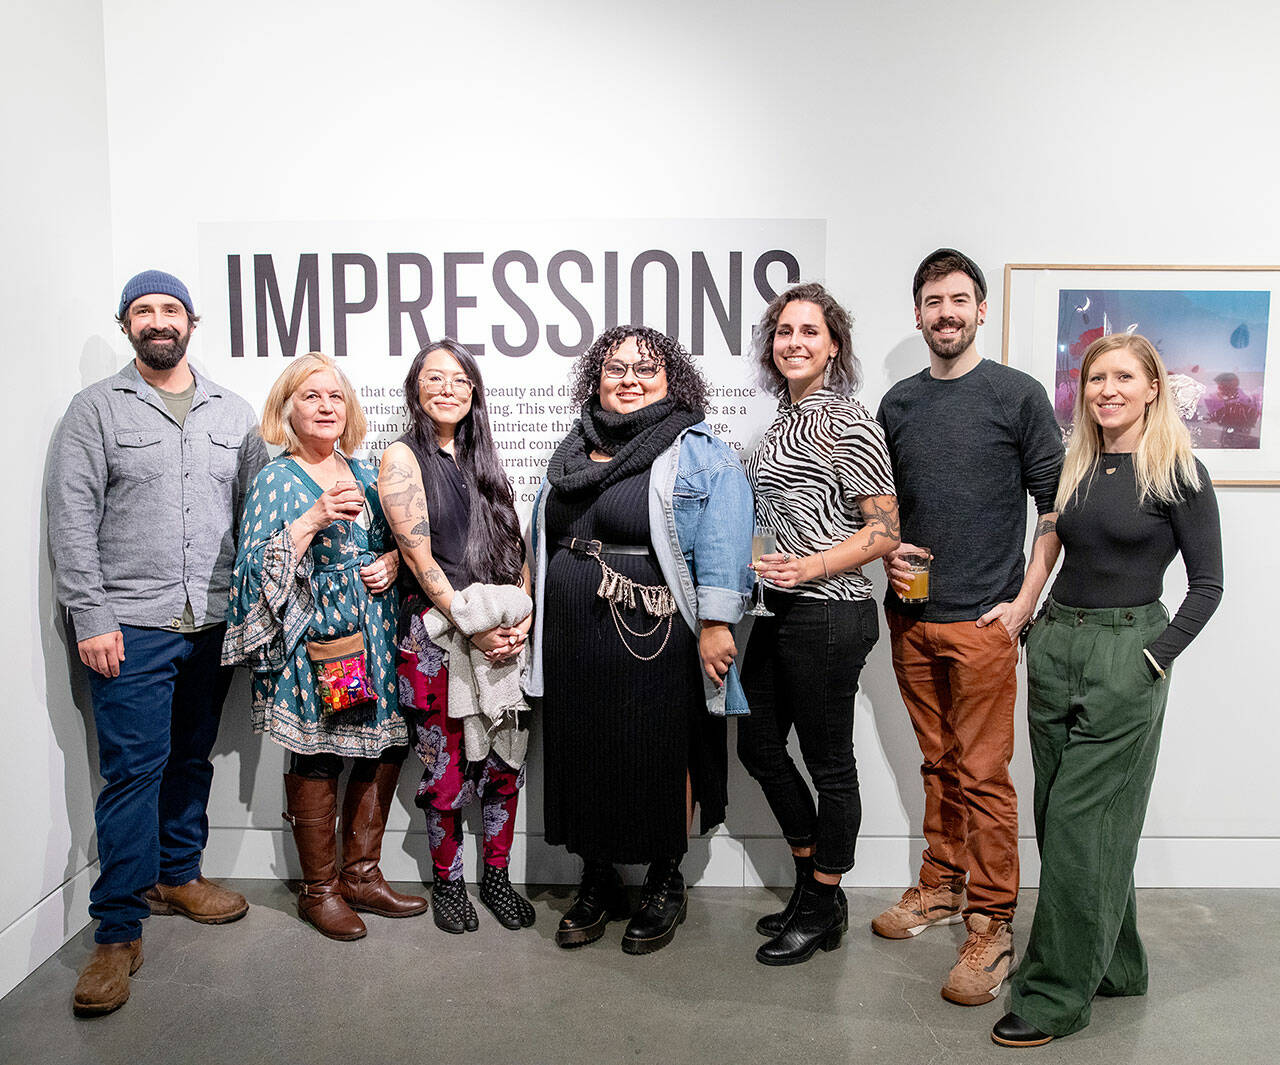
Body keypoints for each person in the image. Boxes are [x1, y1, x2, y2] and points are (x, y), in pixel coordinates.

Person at [991, 333, 1223, 1048]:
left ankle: (1059, 992)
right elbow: (1054, 543)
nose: (1107, 389)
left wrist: (1153, 658)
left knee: (1081, 826)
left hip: (1128, 651)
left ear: (1153, 385)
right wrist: (1029, 612)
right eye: (1096, 378)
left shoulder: (1180, 472)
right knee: (1060, 813)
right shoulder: (1078, 464)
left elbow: (1209, 586)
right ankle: (1116, 964)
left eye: (1123, 376)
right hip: (1058, 641)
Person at [48, 269, 267, 1016]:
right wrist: (91, 615)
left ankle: (179, 874)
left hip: (210, 622)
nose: (157, 319)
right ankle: (116, 930)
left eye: (169, 307)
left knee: (189, 758)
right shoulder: (94, 411)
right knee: (132, 773)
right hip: (129, 626)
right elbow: (72, 524)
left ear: (191, 323)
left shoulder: (234, 413)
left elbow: (255, 519)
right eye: (143, 309)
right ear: (127, 326)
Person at [872, 249, 1064, 1006]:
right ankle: (941, 884)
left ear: (981, 309)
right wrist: (885, 555)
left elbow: (1052, 511)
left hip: (986, 621)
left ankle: (993, 921)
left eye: (959, 299)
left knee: (984, 775)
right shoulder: (896, 404)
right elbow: (880, 512)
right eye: (932, 300)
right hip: (912, 617)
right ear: (917, 313)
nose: (945, 312)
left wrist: (1023, 603)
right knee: (936, 762)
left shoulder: (1017, 395)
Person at [525, 325, 753, 955]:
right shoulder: (574, 447)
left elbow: (723, 537)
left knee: (657, 750)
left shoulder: (695, 448)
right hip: (574, 631)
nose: (628, 378)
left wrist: (715, 623)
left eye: (645, 368)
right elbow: (541, 538)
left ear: (671, 378)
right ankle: (595, 880)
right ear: (595, 379)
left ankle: (663, 881)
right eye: (614, 368)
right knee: (584, 750)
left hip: (653, 629)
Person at [223, 352, 426, 941]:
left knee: (382, 749)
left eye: (335, 396)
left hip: (377, 639)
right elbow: (251, 572)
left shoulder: (367, 474)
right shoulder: (275, 480)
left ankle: (363, 875)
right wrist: (311, 519)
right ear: (287, 408)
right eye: (311, 396)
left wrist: (390, 561)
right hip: (321, 646)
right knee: (319, 756)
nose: (325, 406)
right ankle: (321, 891)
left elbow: (403, 544)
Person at [736, 283, 899, 966]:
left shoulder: (847, 420)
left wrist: (812, 567)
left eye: (810, 331)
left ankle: (826, 896)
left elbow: (885, 531)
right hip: (780, 609)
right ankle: (814, 881)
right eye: (784, 331)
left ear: (833, 344)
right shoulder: (778, 423)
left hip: (833, 611)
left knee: (831, 765)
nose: (795, 342)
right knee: (757, 747)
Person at [378, 339, 536, 934]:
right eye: (434, 378)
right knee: (445, 775)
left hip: (502, 640)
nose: (447, 388)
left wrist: (520, 620)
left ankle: (497, 877)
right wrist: (474, 626)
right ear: (415, 390)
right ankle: (449, 884)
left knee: (503, 767)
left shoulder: (487, 464)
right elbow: (421, 562)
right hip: (441, 643)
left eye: (459, 379)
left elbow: (515, 552)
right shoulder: (402, 458)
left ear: (474, 392)